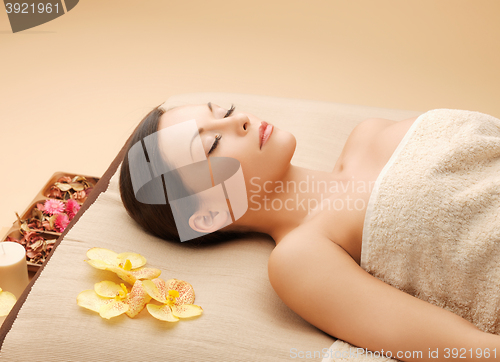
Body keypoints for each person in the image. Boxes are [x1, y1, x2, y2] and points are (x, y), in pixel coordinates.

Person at [119, 102, 500, 361]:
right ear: (209, 214)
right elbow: (464, 348)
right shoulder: (301, 257)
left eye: (226, 110)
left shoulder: (368, 133)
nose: (240, 121)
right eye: (211, 143)